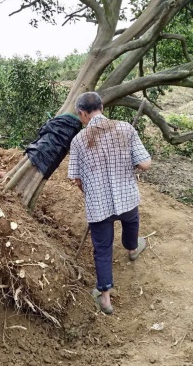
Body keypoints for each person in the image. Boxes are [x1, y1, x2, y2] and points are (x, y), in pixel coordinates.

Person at [68, 92, 151, 314]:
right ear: (101, 107)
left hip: (98, 205)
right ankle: (132, 249)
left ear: (83, 113)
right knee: (131, 222)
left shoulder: (78, 140)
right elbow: (145, 164)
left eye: (80, 116)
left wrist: (89, 189)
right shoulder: (125, 128)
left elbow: (76, 179)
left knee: (102, 249)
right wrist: (129, 164)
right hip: (127, 197)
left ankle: (105, 298)